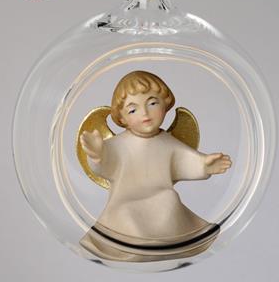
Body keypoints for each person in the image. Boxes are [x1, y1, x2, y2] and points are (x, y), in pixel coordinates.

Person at [79, 71, 232, 261]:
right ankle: (136, 247)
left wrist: (205, 166)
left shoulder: (167, 142)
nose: (145, 113)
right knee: (126, 214)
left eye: (152, 104)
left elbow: (185, 160)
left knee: (169, 201)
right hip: (125, 200)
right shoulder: (116, 145)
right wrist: (97, 155)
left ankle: (167, 244)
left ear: (165, 105)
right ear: (122, 118)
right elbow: (104, 165)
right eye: (133, 110)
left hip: (162, 195)